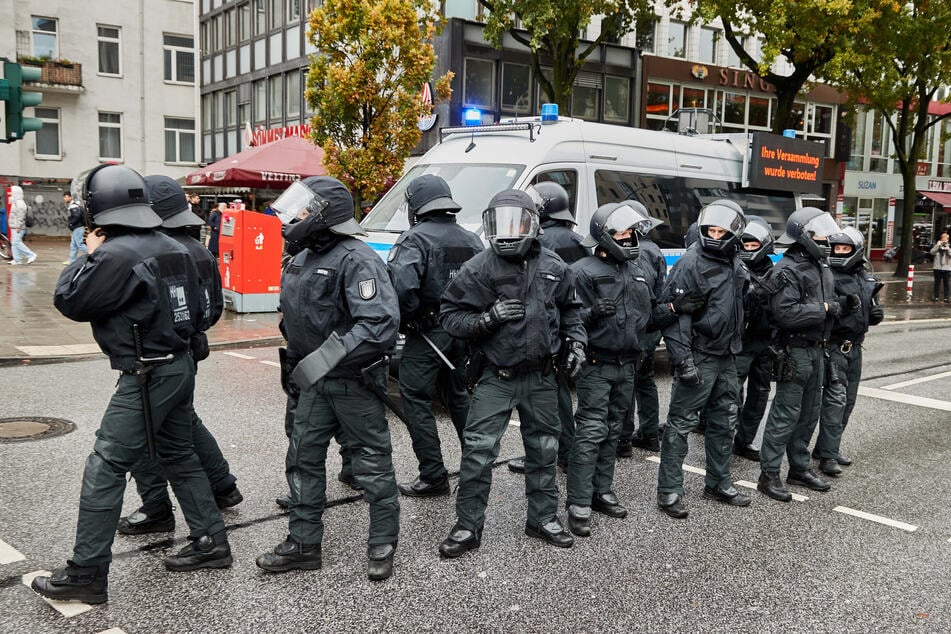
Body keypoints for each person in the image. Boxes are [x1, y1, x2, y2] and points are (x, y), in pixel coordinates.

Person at [32, 165, 231, 605]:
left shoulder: (115, 253)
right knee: (179, 453)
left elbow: (70, 300)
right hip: (177, 362)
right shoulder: (171, 244)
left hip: (148, 372)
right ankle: (211, 540)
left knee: (106, 464)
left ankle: (86, 573)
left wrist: (86, 252)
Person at [256, 176, 401, 581]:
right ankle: (303, 544)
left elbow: (378, 325)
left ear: (325, 215)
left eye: (305, 209)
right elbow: (294, 316)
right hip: (312, 383)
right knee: (302, 459)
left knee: (372, 464)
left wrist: (322, 359)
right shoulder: (301, 256)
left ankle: (382, 542)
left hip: (352, 381)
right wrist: (296, 362)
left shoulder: (358, 258)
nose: (295, 216)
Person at [437, 189, 586, 557]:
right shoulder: (479, 267)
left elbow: (572, 311)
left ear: (533, 223)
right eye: (499, 222)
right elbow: (449, 316)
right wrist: (488, 319)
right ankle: (468, 525)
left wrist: (577, 344)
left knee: (544, 449)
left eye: (515, 222)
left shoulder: (554, 266)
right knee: (477, 453)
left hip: (542, 377)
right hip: (496, 377)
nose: (507, 231)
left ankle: (543, 518)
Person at [113, 175, 243, 536]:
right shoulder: (198, 250)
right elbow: (212, 309)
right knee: (184, 421)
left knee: (141, 431)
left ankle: (156, 506)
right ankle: (223, 485)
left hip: (153, 356)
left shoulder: (157, 250)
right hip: (187, 352)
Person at [565, 202, 696, 537]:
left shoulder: (638, 269)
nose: (627, 238)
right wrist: (590, 315)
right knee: (591, 431)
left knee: (613, 430)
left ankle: (601, 491)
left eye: (629, 232)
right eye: (620, 233)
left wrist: (672, 307)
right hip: (596, 364)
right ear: (603, 235)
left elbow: (649, 316)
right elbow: (563, 320)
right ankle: (578, 501)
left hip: (628, 365)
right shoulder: (582, 271)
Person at [388, 175, 483, 497]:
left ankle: (433, 474)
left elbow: (401, 289)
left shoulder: (413, 240)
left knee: (414, 397)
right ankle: (476, 469)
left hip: (428, 331)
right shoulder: (472, 240)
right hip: (465, 331)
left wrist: (409, 319)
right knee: (458, 397)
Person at [656, 201, 751, 519]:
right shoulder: (690, 262)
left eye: (721, 230)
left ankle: (718, 482)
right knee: (680, 424)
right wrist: (683, 360)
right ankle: (669, 490)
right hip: (700, 355)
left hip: (727, 355)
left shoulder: (734, 258)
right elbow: (670, 316)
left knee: (725, 421)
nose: (715, 235)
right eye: (711, 229)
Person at [757, 208, 844, 502]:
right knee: (785, 415)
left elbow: (828, 304)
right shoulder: (786, 269)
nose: (826, 238)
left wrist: (844, 307)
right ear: (803, 235)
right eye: (820, 233)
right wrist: (825, 309)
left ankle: (799, 468)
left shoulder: (822, 266)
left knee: (809, 415)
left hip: (818, 350)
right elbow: (786, 314)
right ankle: (768, 474)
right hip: (794, 352)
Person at [508, 181, 587, 475]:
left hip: (544, 327)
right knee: (561, 396)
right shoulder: (577, 239)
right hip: (571, 324)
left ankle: (549, 454)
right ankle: (566, 452)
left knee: (544, 403)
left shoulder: (544, 242)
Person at [813, 227, 884, 472]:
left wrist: (875, 314)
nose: (839, 252)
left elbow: (870, 305)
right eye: (837, 248)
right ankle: (828, 457)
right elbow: (822, 311)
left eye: (845, 249)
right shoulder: (827, 276)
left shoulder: (864, 276)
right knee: (836, 400)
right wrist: (841, 307)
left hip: (856, 347)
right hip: (834, 346)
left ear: (856, 251)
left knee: (849, 401)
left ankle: (826, 447)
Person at [617, 212, 668, 456]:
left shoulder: (637, 252)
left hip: (638, 328)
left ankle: (623, 439)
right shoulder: (655, 249)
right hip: (652, 327)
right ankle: (649, 434)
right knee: (645, 381)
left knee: (627, 382)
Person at [731, 215, 777, 462]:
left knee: (759, 393)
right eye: (745, 246)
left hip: (766, 341)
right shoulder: (736, 269)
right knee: (731, 392)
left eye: (753, 246)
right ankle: (726, 436)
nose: (748, 250)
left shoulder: (777, 272)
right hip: (742, 340)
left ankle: (744, 440)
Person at [7, 185, 37, 265]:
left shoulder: (19, 203)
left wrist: (19, 226)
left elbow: (21, 216)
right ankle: (17, 260)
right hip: (14, 226)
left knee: (17, 242)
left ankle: (31, 255)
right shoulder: (16, 202)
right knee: (14, 243)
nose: (10, 194)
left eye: (12, 192)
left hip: (18, 226)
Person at [63, 191, 87, 264]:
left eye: (65, 197)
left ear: (70, 197)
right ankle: (72, 260)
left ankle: (91, 256)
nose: (64, 199)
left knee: (80, 244)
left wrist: (71, 223)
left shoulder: (74, 206)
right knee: (73, 245)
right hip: (76, 228)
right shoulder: (74, 205)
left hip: (78, 228)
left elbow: (77, 216)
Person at [930, 232, 951, 302]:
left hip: (947, 268)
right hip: (937, 268)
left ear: (948, 240)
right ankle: (936, 297)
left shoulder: (949, 247)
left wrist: (948, 248)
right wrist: (937, 245)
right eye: (943, 239)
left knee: (946, 284)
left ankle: (946, 297)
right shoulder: (937, 246)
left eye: (946, 239)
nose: (944, 240)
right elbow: (932, 252)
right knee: (937, 283)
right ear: (941, 239)